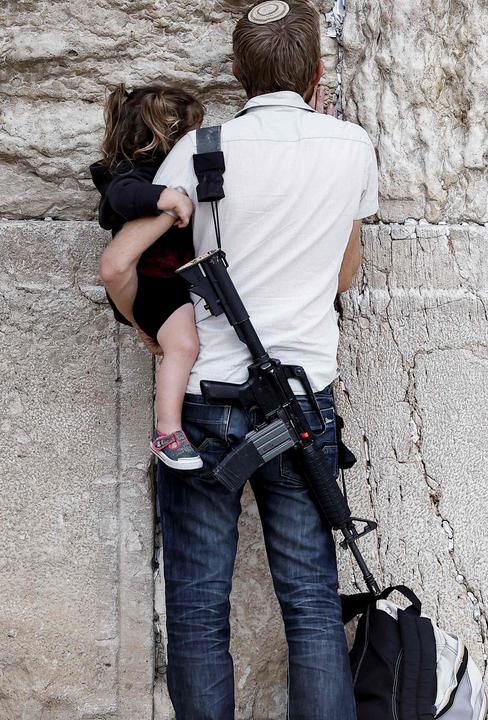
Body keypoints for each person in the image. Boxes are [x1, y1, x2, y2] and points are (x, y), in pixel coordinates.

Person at [98, 1, 378, 717]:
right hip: (301, 403)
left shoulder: (202, 150)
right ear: (316, 70)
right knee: (312, 606)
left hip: (203, 403)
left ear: (235, 72)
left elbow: (121, 266)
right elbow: (343, 276)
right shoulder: (351, 146)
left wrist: (153, 331)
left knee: (196, 613)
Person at [92, 84, 204, 470]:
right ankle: (168, 430)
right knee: (184, 346)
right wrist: (165, 199)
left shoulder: (150, 171)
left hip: (170, 283)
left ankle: (170, 428)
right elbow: (120, 198)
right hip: (156, 285)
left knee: (184, 344)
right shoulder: (129, 176)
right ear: (166, 138)